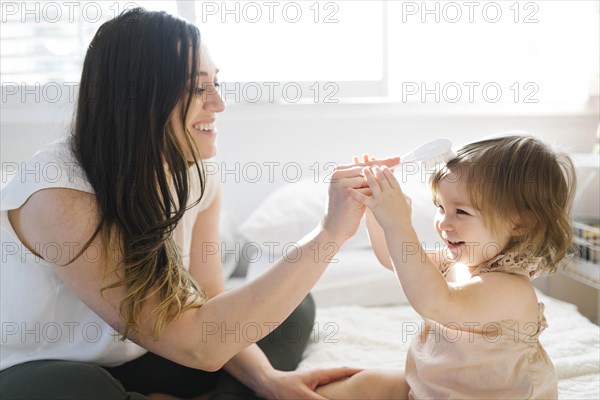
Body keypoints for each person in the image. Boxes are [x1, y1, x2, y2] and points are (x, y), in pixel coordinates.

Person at [0, 8, 399, 400]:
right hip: (41, 366)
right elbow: (199, 346)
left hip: (148, 349)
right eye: (196, 88)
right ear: (134, 97)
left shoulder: (195, 170)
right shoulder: (58, 193)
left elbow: (206, 301)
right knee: (77, 388)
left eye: (216, 83)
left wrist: (267, 379)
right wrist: (330, 233)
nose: (219, 104)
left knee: (290, 308)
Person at [315, 135, 575, 399]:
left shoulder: (508, 288)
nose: (443, 223)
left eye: (461, 212)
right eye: (440, 206)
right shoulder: (458, 261)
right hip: (437, 386)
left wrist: (399, 225)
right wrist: (375, 207)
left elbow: (435, 302)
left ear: (520, 223)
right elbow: (394, 257)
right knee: (364, 383)